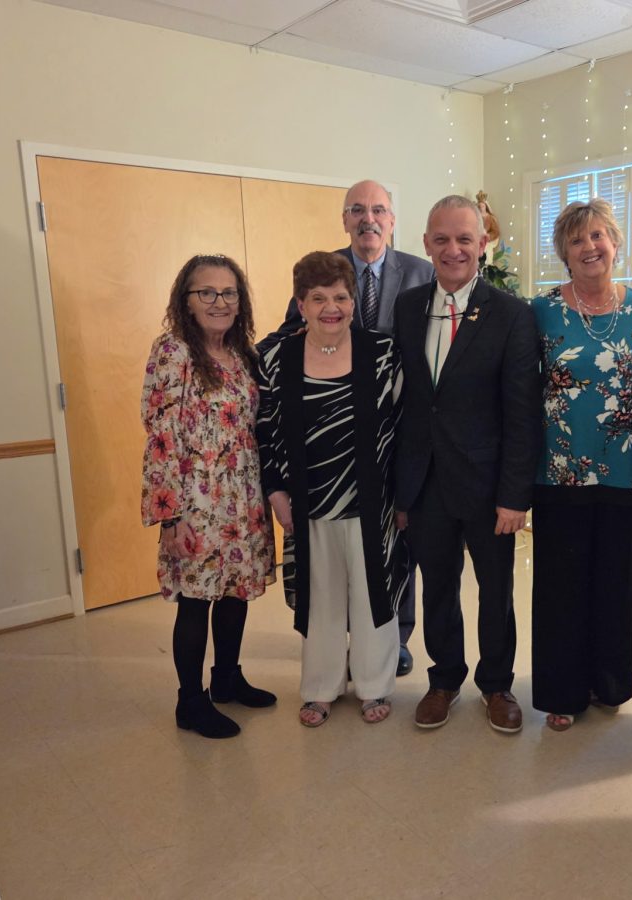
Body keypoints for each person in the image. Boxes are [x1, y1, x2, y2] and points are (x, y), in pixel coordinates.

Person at [258, 180, 433, 677]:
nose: (367, 219)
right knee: (329, 572)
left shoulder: (421, 274)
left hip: (388, 436)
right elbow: (288, 338)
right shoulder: (323, 268)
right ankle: (336, 655)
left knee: (391, 558)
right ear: (344, 219)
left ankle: (395, 641)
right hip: (322, 449)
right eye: (357, 210)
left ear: (392, 220)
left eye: (378, 209)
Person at [393, 195, 540, 733]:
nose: (452, 249)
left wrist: (514, 496)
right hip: (425, 480)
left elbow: (522, 412)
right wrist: (401, 492)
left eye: (463, 239)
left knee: (496, 591)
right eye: (441, 239)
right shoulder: (407, 307)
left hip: (487, 484)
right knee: (437, 587)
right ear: (426, 244)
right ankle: (444, 680)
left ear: (482, 244)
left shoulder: (511, 313)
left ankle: (497, 684)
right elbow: (407, 404)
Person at [257, 251, 407, 727]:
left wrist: (404, 496)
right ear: (300, 304)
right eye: (318, 298)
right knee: (319, 596)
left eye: (340, 297)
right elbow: (264, 430)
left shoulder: (382, 352)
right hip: (308, 500)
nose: (331, 308)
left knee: (372, 595)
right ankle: (320, 689)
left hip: (373, 499)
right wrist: (275, 491)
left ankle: (375, 685)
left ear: (353, 302)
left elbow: (404, 426)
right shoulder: (276, 357)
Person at [529, 198, 632, 731]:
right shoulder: (540, 311)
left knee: (615, 584)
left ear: (615, 243)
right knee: (561, 586)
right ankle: (562, 690)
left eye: (598, 235)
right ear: (564, 251)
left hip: (624, 471)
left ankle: (609, 682)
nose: (589, 246)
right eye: (577, 239)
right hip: (558, 469)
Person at [140, 254, 277, 739]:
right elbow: (160, 435)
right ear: (187, 300)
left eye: (229, 293)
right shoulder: (173, 351)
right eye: (207, 292)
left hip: (242, 496)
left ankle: (227, 679)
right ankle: (190, 701)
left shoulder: (243, 354)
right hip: (195, 502)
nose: (220, 302)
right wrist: (169, 515)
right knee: (196, 601)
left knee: (236, 591)